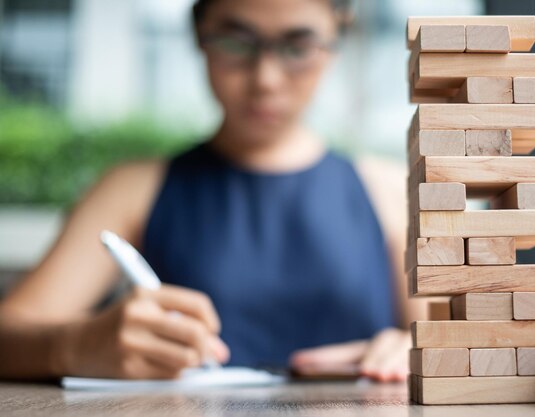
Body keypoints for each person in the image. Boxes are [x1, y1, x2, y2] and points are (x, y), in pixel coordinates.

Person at [0, 0, 416, 382]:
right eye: (236, 43)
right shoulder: (131, 189)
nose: (265, 79)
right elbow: (9, 332)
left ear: (337, 36)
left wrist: (418, 351)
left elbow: (443, 340)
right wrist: (75, 345)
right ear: (199, 35)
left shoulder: (391, 192)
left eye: (298, 47)